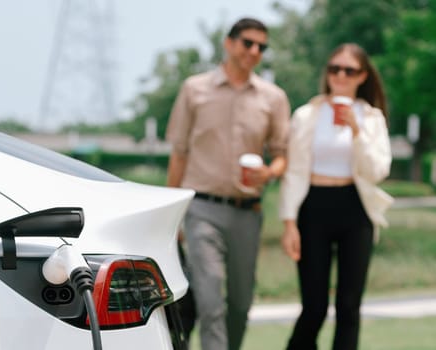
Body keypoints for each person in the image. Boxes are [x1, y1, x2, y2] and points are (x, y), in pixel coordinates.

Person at [166, 17, 290, 350]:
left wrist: (270, 172)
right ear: (229, 42)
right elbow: (179, 154)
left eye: (261, 47)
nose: (254, 51)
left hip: (246, 212)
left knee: (240, 303)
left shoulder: (273, 98)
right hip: (201, 210)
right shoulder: (194, 89)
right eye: (248, 43)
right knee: (210, 300)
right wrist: (172, 215)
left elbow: (282, 155)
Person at [279, 43, 394, 350]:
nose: (340, 75)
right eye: (334, 69)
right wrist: (289, 222)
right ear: (327, 73)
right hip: (313, 207)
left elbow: (377, 171)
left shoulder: (372, 118)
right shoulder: (305, 115)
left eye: (349, 70)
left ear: (362, 76)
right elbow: (294, 173)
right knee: (314, 307)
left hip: (355, 209)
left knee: (349, 306)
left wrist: (357, 132)